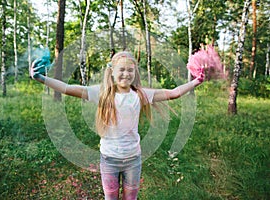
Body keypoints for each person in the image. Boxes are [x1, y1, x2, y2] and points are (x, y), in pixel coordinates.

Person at [31, 51, 204, 200]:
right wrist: (40, 78)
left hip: (133, 160)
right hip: (109, 160)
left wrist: (196, 81)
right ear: (112, 72)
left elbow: (173, 93)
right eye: (121, 69)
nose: (126, 74)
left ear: (135, 73)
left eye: (130, 70)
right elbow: (67, 88)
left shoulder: (141, 95)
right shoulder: (101, 93)